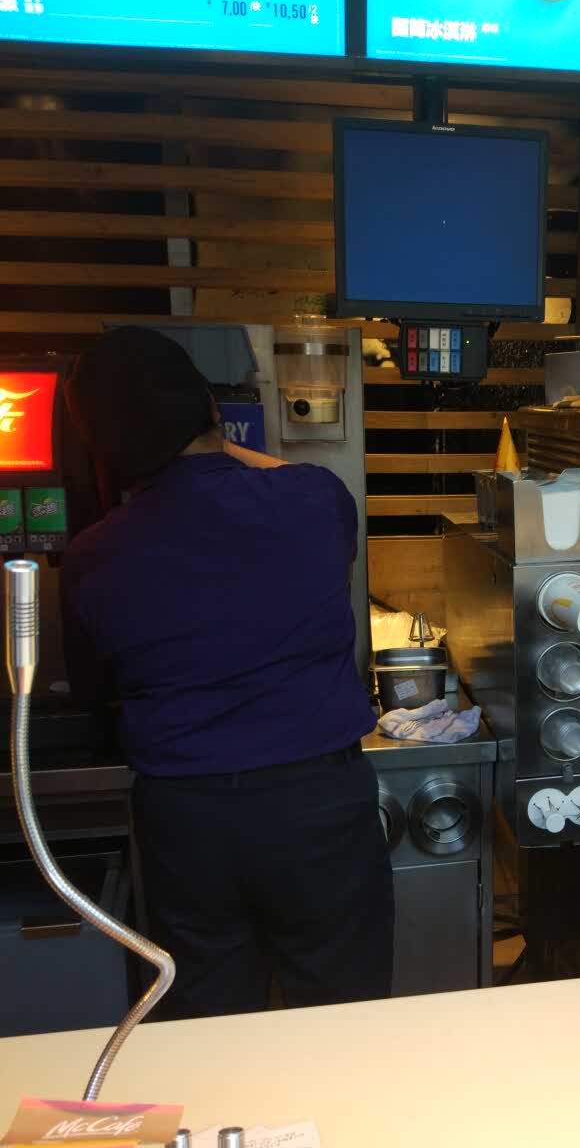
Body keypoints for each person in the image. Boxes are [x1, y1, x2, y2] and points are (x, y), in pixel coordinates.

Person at [60, 326, 393, 1019]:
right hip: (317, 806)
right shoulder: (313, 499)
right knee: (342, 1016)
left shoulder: (92, 557)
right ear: (212, 408)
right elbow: (272, 478)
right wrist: (218, 443)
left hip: (187, 825)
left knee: (207, 1022)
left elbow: (93, 697)